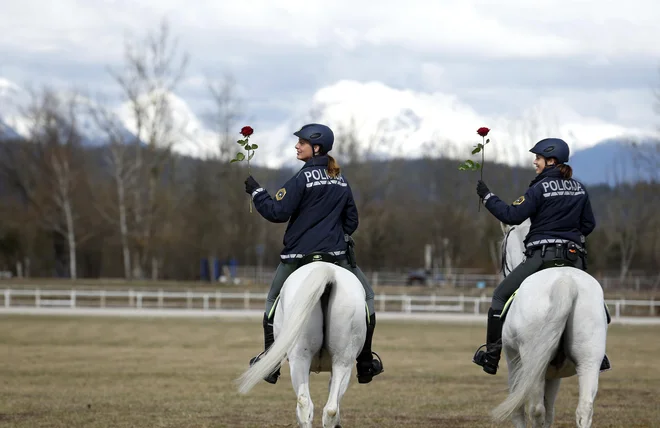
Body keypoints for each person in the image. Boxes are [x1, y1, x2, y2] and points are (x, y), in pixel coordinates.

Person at [244, 123, 384, 385]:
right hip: (336, 257)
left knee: (273, 301)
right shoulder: (340, 180)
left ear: (316, 147)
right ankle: (365, 361)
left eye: (302, 142)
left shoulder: (300, 178)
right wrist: (333, 234)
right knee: (367, 297)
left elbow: (277, 212)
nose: (297, 146)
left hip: (297, 258)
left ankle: (271, 361)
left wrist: (257, 192)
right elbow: (352, 221)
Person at [472, 137, 611, 375]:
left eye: (537, 158)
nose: (535, 162)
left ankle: (492, 355)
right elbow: (588, 224)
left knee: (499, 296)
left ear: (551, 160)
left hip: (542, 258)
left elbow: (511, 215)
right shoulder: (579, 188)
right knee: (599, 304)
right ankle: (599, 355)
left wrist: (487, 197)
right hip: (573, 258)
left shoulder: (538, 188)